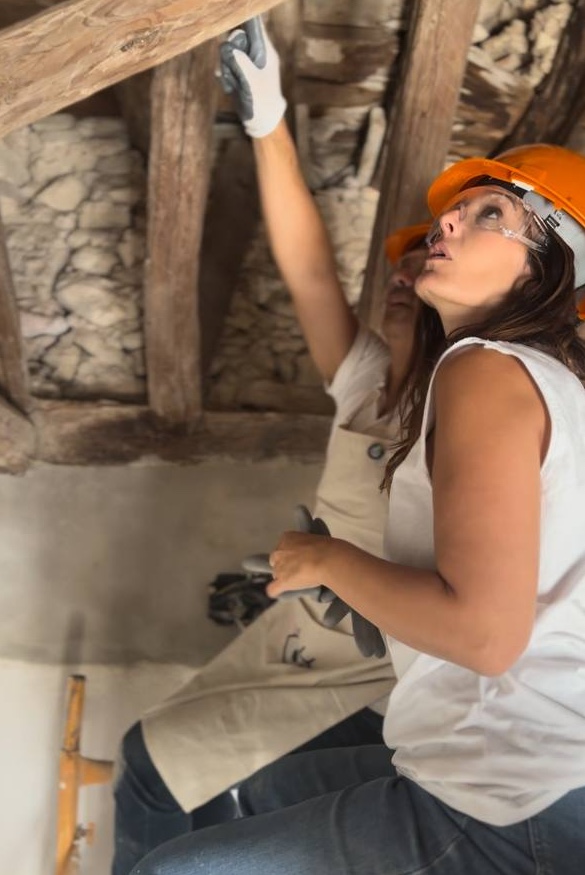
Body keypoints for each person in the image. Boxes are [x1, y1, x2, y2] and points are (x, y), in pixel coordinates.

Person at [129, 17, 585, 875]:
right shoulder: (462, 389)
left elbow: (486, 636)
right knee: (219, 787)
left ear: (553, 266)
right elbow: (309, 271)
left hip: (495, 774)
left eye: (485, 214)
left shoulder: (484, 373)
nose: (426, 251)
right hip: (488, 755)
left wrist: (328, 560)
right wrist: (267, 125)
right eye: (424, 243)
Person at [112, 28, 431, 875]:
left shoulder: (467, 409)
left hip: (371, 672)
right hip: (299, 632)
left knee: (168, 777)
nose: (401, 275)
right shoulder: (368, 382)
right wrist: (267, 122)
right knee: (151, 761)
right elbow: (313, 276)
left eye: (421, 270)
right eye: (397, 269)